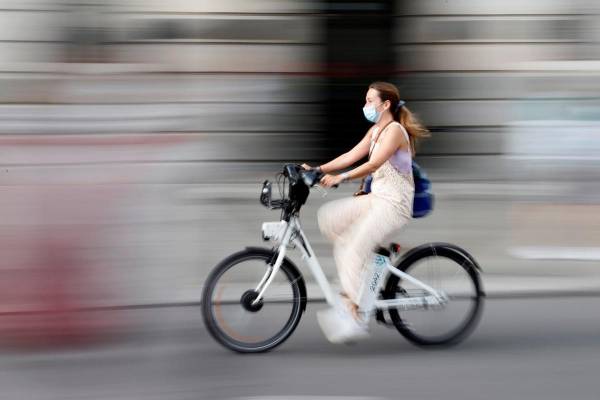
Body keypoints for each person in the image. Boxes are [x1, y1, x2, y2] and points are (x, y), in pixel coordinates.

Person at [302, 81, 429, 343]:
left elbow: (372, 163)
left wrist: (341, 178)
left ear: (386, 105)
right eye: (366, 100)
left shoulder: (394, 130)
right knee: (330, 218)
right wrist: (318, 170)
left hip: (394, 204)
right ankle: (368, 264)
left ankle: (355, 315)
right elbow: (351, 155)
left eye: (370, 101)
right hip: (376, 199)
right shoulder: (375, 131)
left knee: (350, 250)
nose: (366, 105)